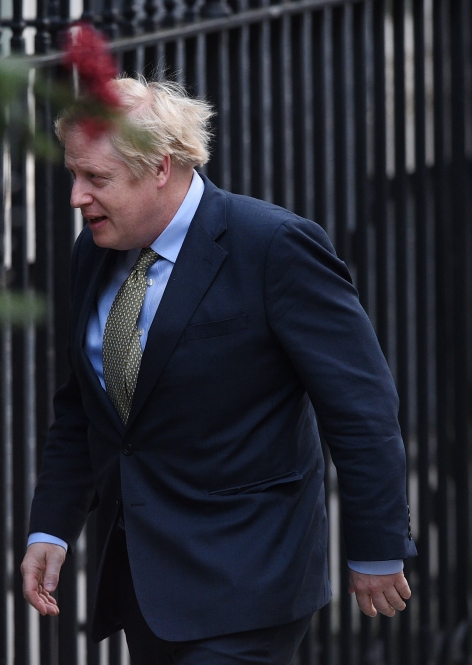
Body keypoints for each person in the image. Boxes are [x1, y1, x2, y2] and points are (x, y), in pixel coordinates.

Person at [21, 76, 417, 664]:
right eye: (74, 175)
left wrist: (378, 547)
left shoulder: (275, 246)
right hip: (146, 583)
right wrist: (51, 527)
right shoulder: (95, 250)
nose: (77, 196)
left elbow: (361, 407)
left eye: (96, 178)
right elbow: (84, 404)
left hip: (250, 580)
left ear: (160, 167)